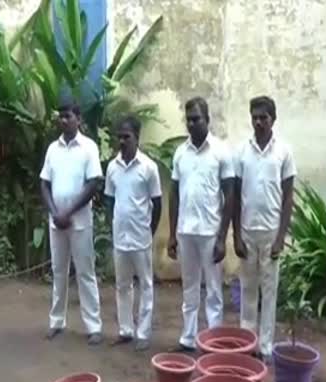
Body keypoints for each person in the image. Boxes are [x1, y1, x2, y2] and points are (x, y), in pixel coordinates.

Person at [168, 97, 234, 352]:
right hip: (186, 231)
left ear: (208, 119)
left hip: (210, 231)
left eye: (197, 119)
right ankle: (188, 337)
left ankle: (213, 340)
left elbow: (230, 195)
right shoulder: (180, 153)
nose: (192, 124)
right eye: (189, 120)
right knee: (190, 288)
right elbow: (174, 194)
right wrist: (172, 234)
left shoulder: (220, 151)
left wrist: (221, 237)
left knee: (214, 290)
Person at [233, 96, 296, 361]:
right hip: (247, 231)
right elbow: (235, 196)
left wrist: (281, 237)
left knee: (269, 293)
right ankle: (248, 344)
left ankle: (267, 347)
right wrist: (235, 234)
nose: (258, 122)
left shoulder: (284, 152)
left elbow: (288, 197)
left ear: (273, 119)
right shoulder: (242, 152)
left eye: (264, 117)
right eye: (255, 117)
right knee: (248, 289)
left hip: (271, 233)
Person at [40, 100, 103, 345]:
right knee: (58, 272)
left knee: (86, 272)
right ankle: (57, 321)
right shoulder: (52, 149)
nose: (62, 120)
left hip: (79, 221)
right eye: (60, 116)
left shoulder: (89, 148)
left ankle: (93, 326)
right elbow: (44, 183)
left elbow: (93, 183)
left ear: (78, 118)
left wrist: (69, 212)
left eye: (67, 116)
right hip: (56, 220)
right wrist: (56, 212)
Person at [104, 115, 162, 351]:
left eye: (126, 137)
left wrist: (150, 230)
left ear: (137, 138)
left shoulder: (148, 167)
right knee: (122, 285)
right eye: (119, 137)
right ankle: (126, 330)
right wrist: (113, 225)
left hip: (141, 237)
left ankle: (143, 333)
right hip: (121, 238)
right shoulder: (112, 167)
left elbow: (157, 203)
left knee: (146, 285)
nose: (122, 141)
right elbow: (109, 201)